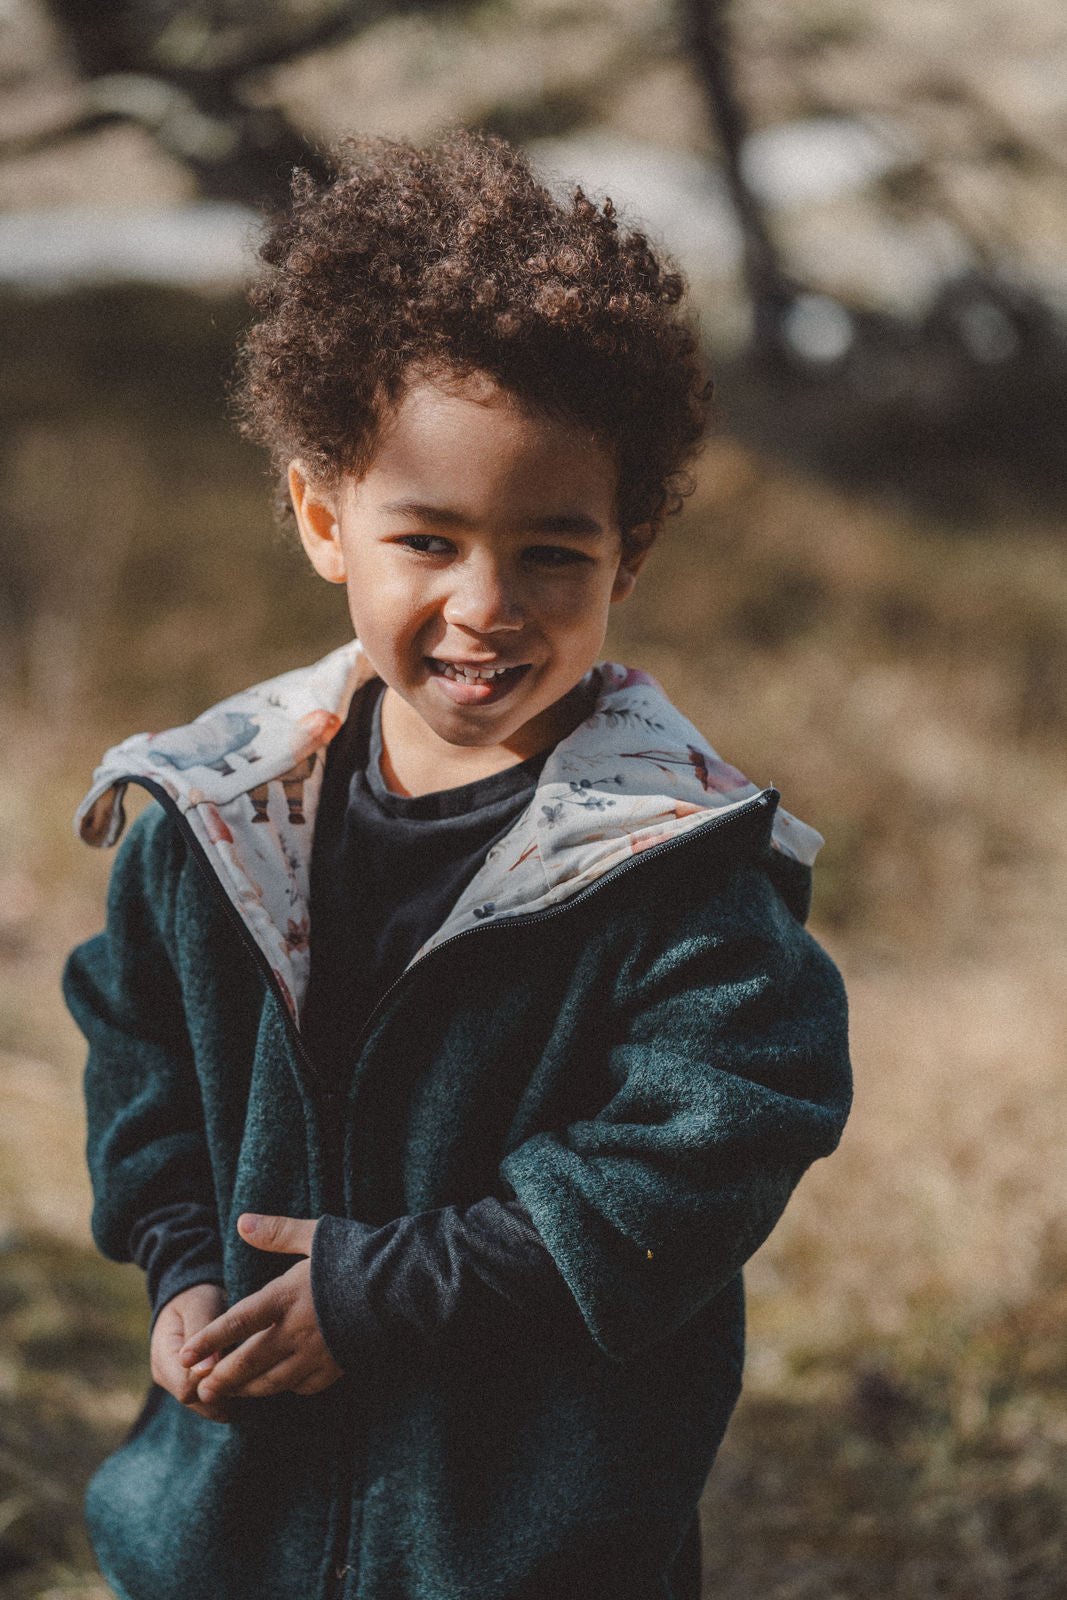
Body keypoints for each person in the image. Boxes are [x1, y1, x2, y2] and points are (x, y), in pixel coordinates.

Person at [63, 130, 851, 1600]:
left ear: (634, 544)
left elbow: (722, 1131)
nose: (485, 606)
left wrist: (391, 1294)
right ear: (320, 519)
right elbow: (139, 1054)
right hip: (227, 1530)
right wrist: (179, 1270)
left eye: (552, 551)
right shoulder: (214, 816)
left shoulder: (677, 863)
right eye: (425, 538)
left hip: (526, 1552)